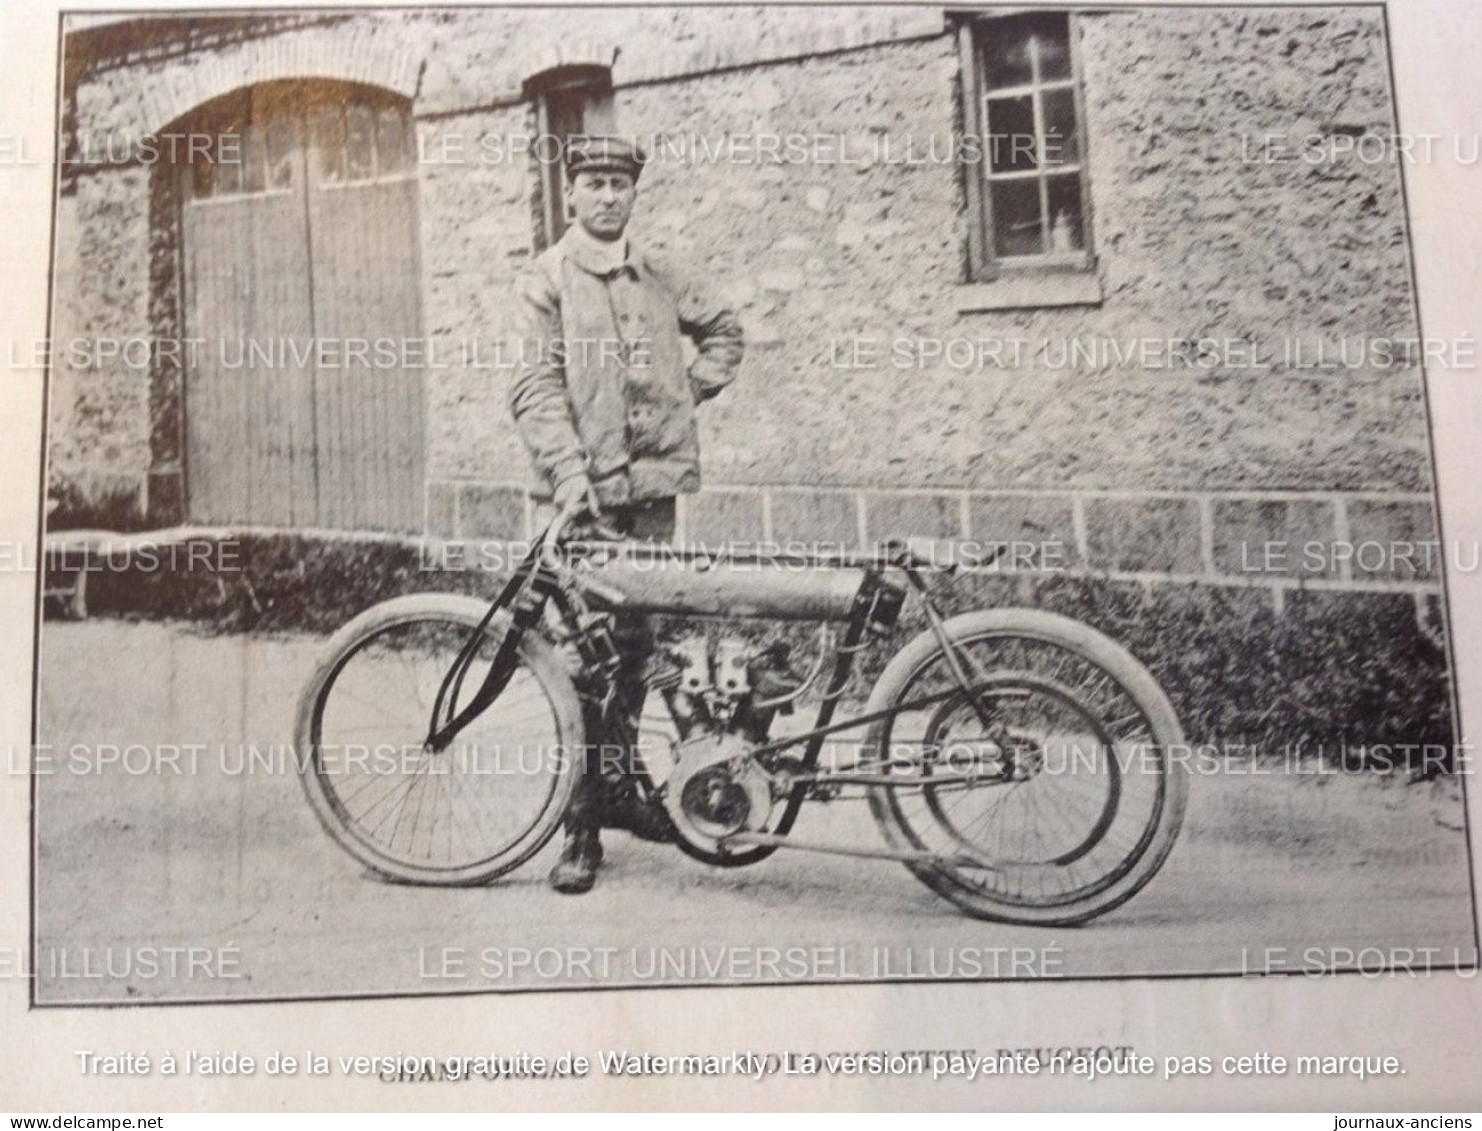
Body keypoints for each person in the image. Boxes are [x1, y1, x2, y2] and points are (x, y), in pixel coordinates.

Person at [508, 134, 745, 894]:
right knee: (582, 663)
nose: (609, 196)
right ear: (570, 194)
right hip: (580, 500)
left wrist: (690, 392)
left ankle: (623, 785)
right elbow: (534, 390)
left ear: (632, 195)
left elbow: (726, 332)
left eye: (620, 183)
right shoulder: (545, 280)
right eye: (595, 182)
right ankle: (580, 826)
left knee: (637, 649)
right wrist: (570, 475)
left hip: (651, 498)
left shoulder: (662, 272)